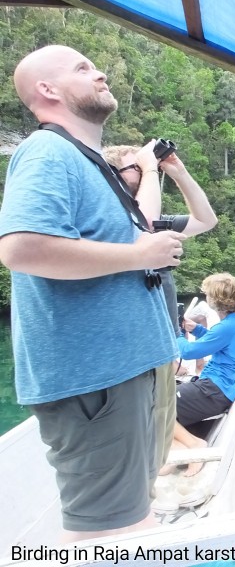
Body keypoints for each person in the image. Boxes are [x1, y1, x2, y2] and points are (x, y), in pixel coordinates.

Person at [0, 45, 185, 541]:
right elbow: (22, 247)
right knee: (109, 537)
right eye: (82, 67)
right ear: (48, 90)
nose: (99, 71)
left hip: (123, 375)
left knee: (129, 519)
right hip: (95, 382)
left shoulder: (88, 163)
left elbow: (134, 228)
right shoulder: (46, 151)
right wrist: (139, 256)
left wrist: (149, 173)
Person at [103, 143, 217, 486]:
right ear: (115, 176)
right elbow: (142, 222)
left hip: (162, 331)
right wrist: (150, 168)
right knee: (145, 400)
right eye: (135, 166)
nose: (144, 169)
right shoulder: (113, 218)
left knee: (159, 399)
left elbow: (206, 220)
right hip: (132, 334)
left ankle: (176, 450)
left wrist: (178, 172)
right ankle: (171, 451)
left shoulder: (152, 223)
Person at [169, 273, 235, 476]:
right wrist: (195, 329)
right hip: (215, 386)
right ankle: (176, 451)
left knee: (157, 406)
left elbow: (188, 352)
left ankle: (193, 447)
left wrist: (176, 333)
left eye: (207, 294)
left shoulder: (227, 326)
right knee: (159, 401)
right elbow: (218, 340)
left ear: (214, 300)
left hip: (215, 391)